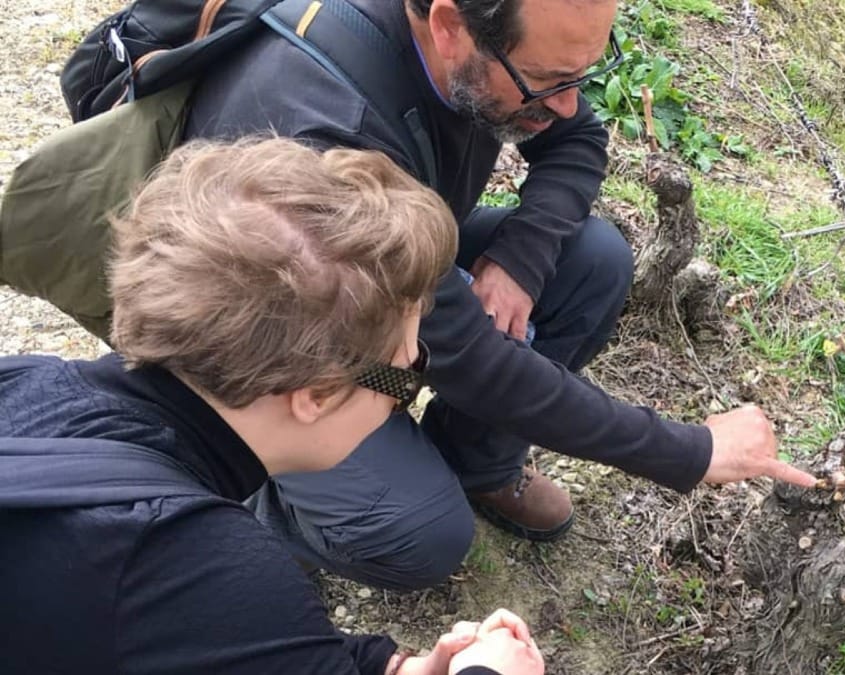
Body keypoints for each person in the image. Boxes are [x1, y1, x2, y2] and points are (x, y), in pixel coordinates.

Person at [184, 0, 817, 592]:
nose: (568, 103)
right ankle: (263, 498)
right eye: (549, 79)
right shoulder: (318, 138)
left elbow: (577, 140)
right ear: (448, 26)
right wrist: (690, 449)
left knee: (592, 260)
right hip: (280, 342)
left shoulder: (485, 50)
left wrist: (517, 259)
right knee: (422, 536)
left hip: (392, 272)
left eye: (583, 74)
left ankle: (476, 464)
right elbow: (477, 363)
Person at [0, 137, 542, 675]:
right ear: (317, 394)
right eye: (408, 372)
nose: (409, 394)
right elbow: (227, 623)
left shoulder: (28, 382)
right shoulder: (200, 568)